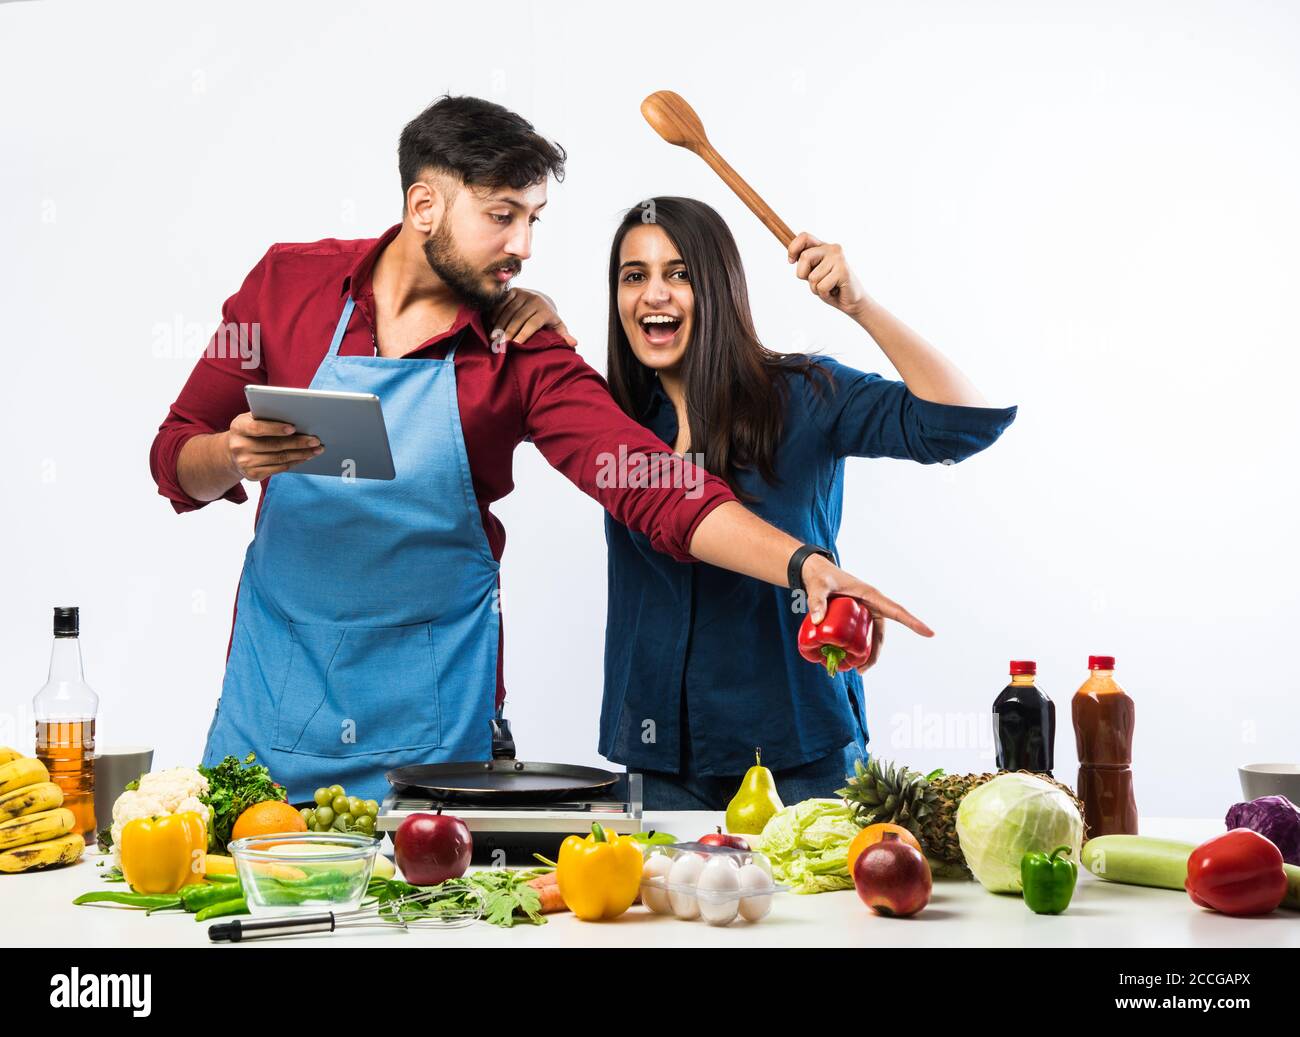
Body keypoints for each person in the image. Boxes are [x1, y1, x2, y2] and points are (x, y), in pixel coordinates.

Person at [148, 100, 932, 804]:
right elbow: (175, 453)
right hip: (271, 712)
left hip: (435, 743)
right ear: (425, 205)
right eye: (502, 216)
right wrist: (231, 454)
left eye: (534, 218)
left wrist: (805, 565)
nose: (522, 245)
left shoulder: (522, 352)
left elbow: (650, 484)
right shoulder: (287, 285)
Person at [510, 197, 1016, 810]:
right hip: (661, 759)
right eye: (633, 276)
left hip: (801, 754)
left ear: (719, 288)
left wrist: (862, 306)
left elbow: (961, 426)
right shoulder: (611, 421)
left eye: (679, 274)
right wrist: (533, 311)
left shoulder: (806, 393)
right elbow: (502, 372)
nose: (654, 295)